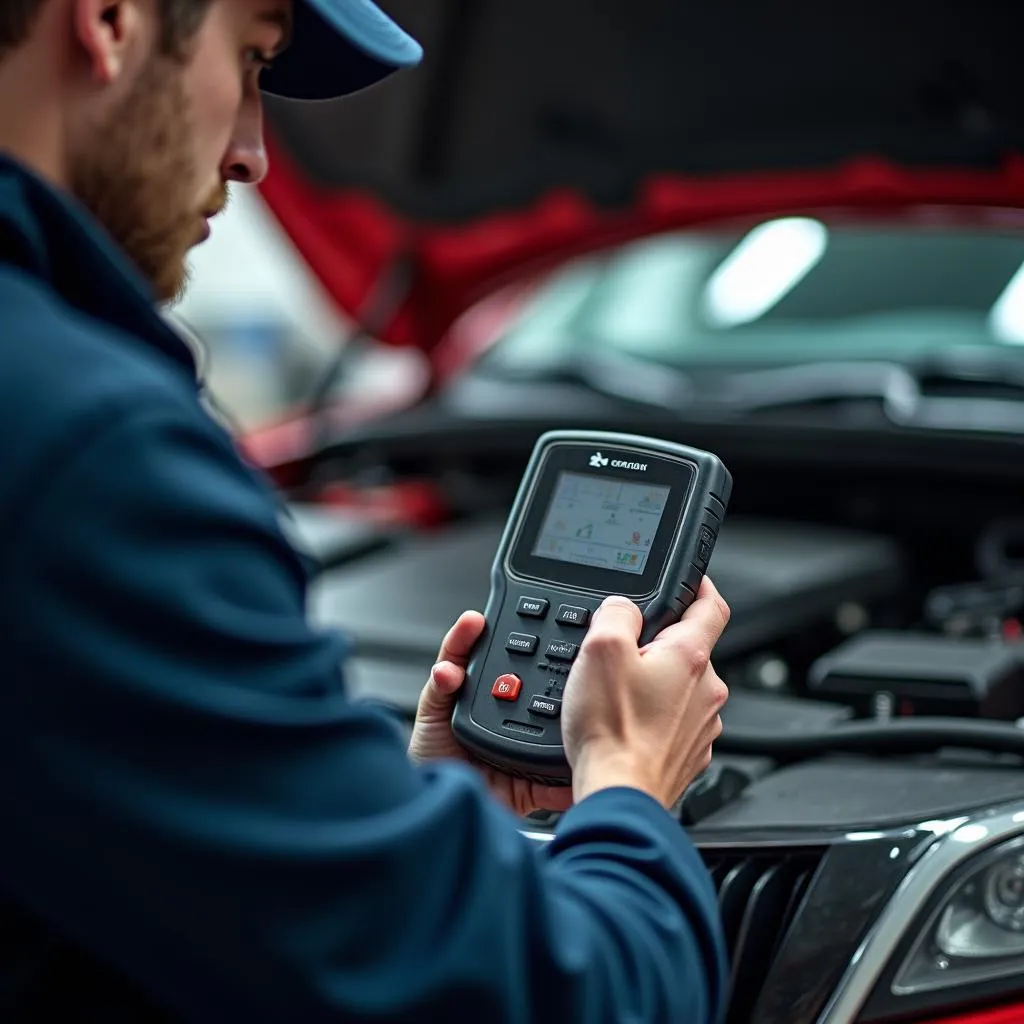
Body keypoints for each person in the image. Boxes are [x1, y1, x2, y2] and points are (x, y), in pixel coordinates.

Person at [0, 0, 733, 1020]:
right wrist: (628, 788)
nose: (255, 154)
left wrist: (388, 825)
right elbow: (568, 1000)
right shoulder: (88, 460)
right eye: (251, 60)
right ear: (112, 19)